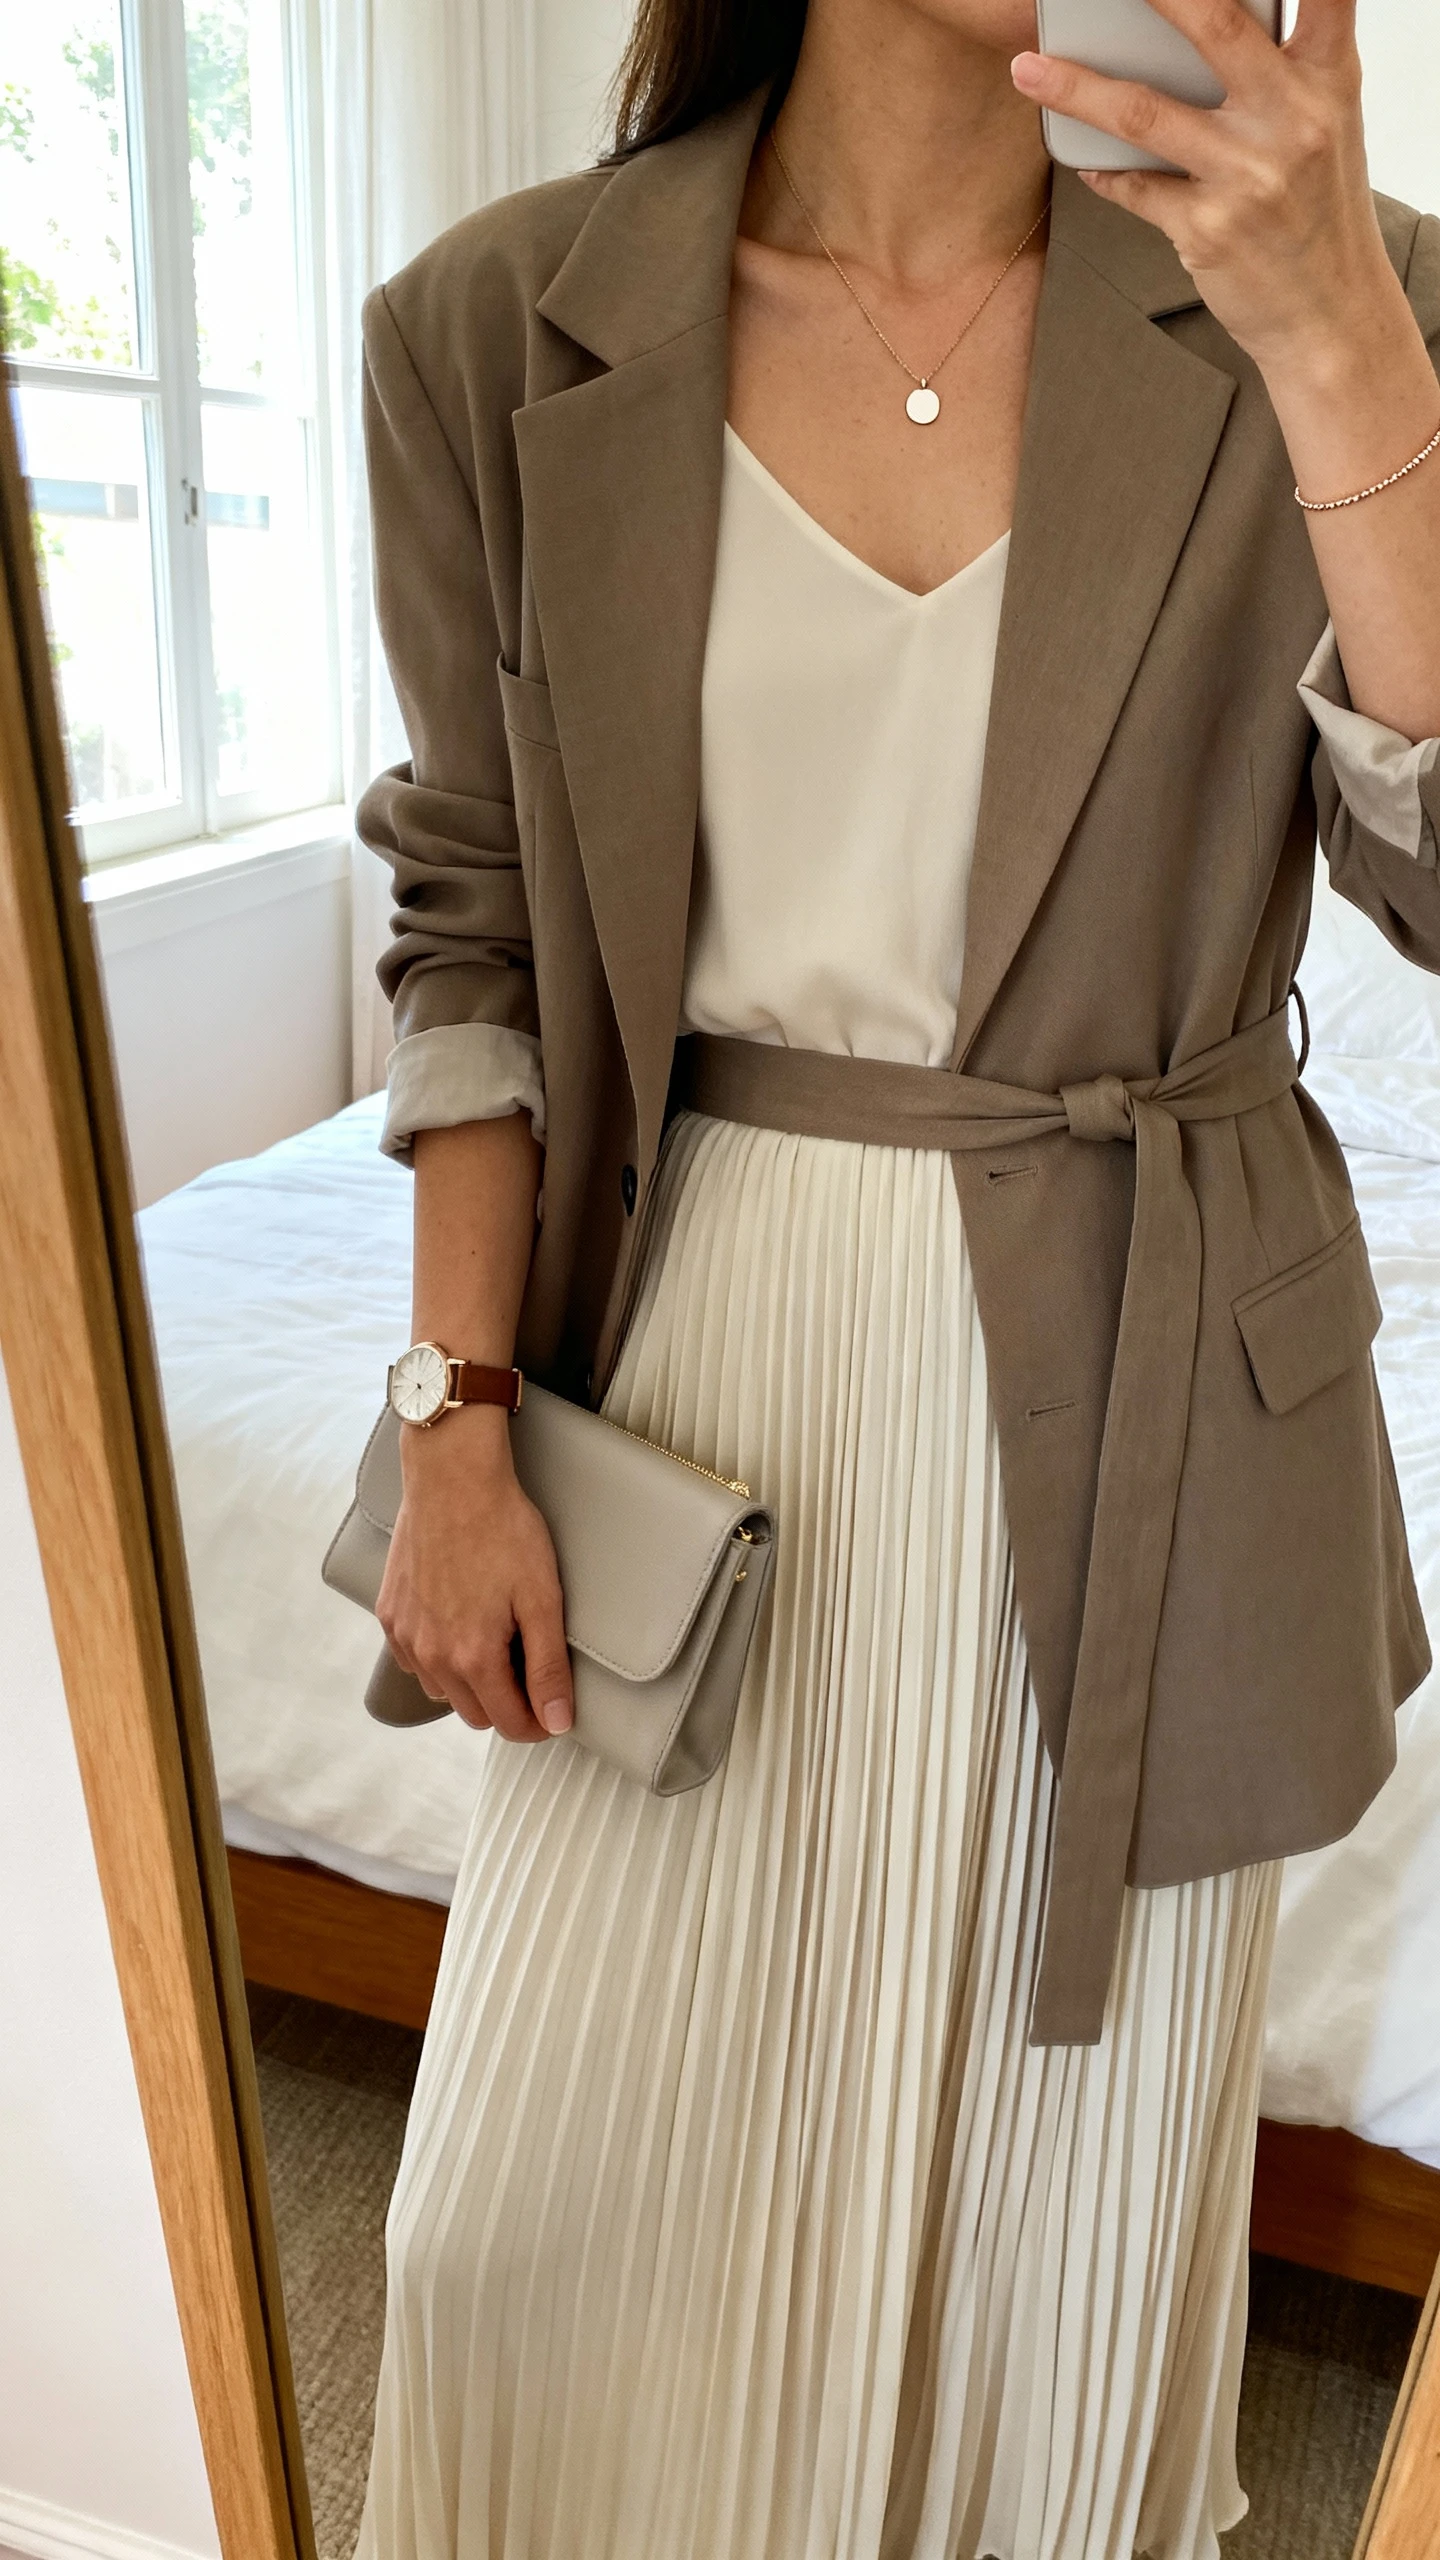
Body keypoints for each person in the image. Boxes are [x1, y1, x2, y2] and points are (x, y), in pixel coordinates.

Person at [351, 0, 1440, 2550]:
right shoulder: (499, 323)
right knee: (503, 2237)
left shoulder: (1341, 295)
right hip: (699, 1374)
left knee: (1037, 2280)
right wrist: (449, 1407)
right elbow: (474, 930)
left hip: (1153, 1391)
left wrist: (1335, 350)